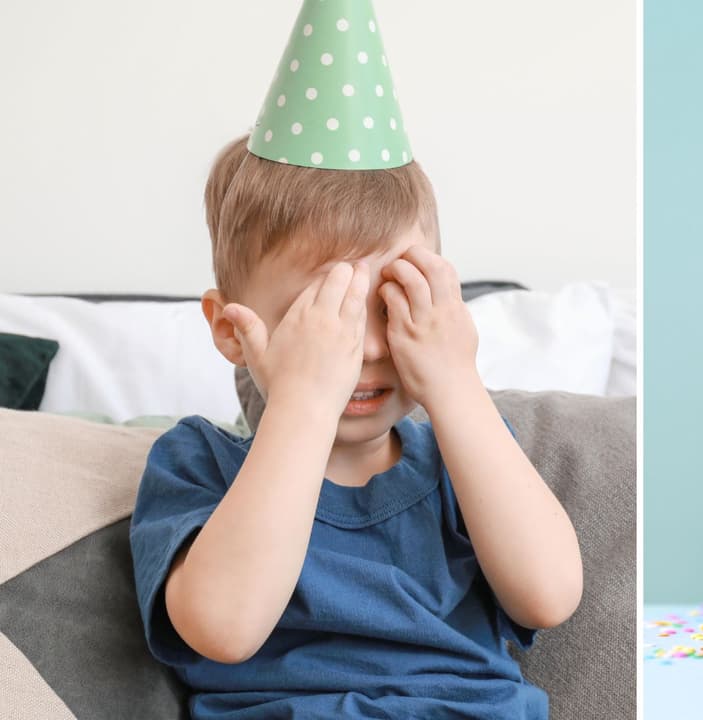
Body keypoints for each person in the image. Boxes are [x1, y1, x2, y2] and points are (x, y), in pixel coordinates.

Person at [128, 2, 580, 717]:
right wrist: (305, 402)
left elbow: (551, 594)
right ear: (230, 330)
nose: (366, 346)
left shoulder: (461, 462)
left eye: (390, 304)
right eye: (323, 315)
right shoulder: (197, 464)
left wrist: (455, 384)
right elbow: (222, 626)